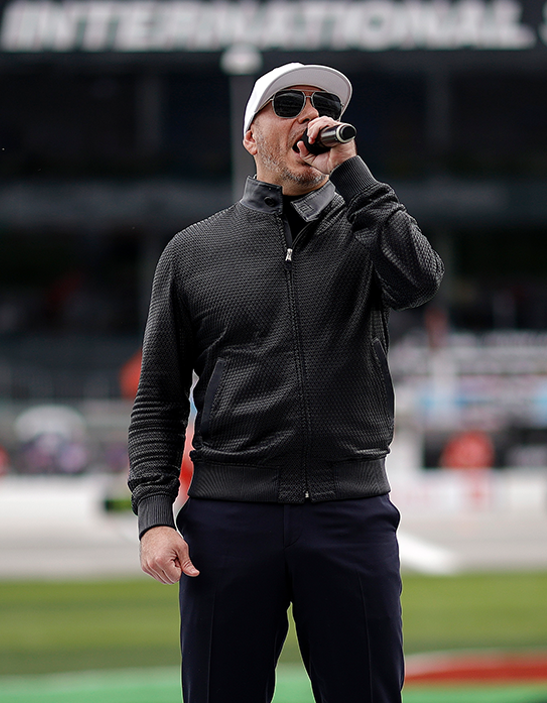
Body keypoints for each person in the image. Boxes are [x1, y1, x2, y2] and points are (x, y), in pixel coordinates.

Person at [127, 62, 444, 703]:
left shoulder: (368, 232)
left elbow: (419, 282)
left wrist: (354, 172)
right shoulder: (191, 254)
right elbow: (158, 400)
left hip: (350, 515)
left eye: (322, 104)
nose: (311, 115)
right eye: (289, 104)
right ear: (250, 136)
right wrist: (155, 515)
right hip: (228, 522)